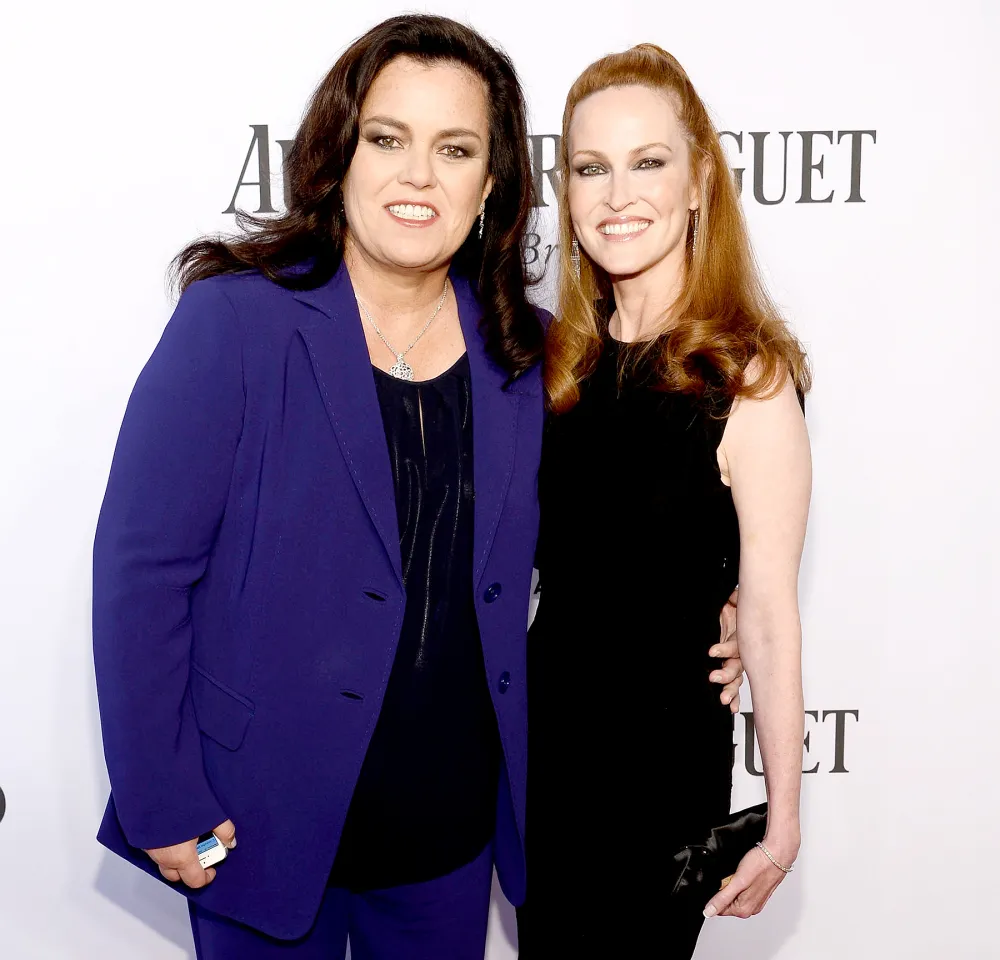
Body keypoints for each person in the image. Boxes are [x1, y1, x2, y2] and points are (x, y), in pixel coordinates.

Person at [92, 16, 745, 958]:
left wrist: (716, 594)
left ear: (492, 184)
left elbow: (623, 508)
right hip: (255, 827)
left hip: (449, 843)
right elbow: (141, 574)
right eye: (388, 139)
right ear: (338, 156)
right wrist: (160, 792)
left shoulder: (533, 354)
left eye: (456, 149)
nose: (417, 175)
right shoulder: (235, 321)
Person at [517, 44, 812, 957]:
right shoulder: (553, 363)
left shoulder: (748, 376)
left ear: (698, 184)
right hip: (540, 754)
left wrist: (785, 821)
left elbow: (767, 611)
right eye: (591, 169)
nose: (617, 195)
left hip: (659, 773)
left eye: (648, 163)